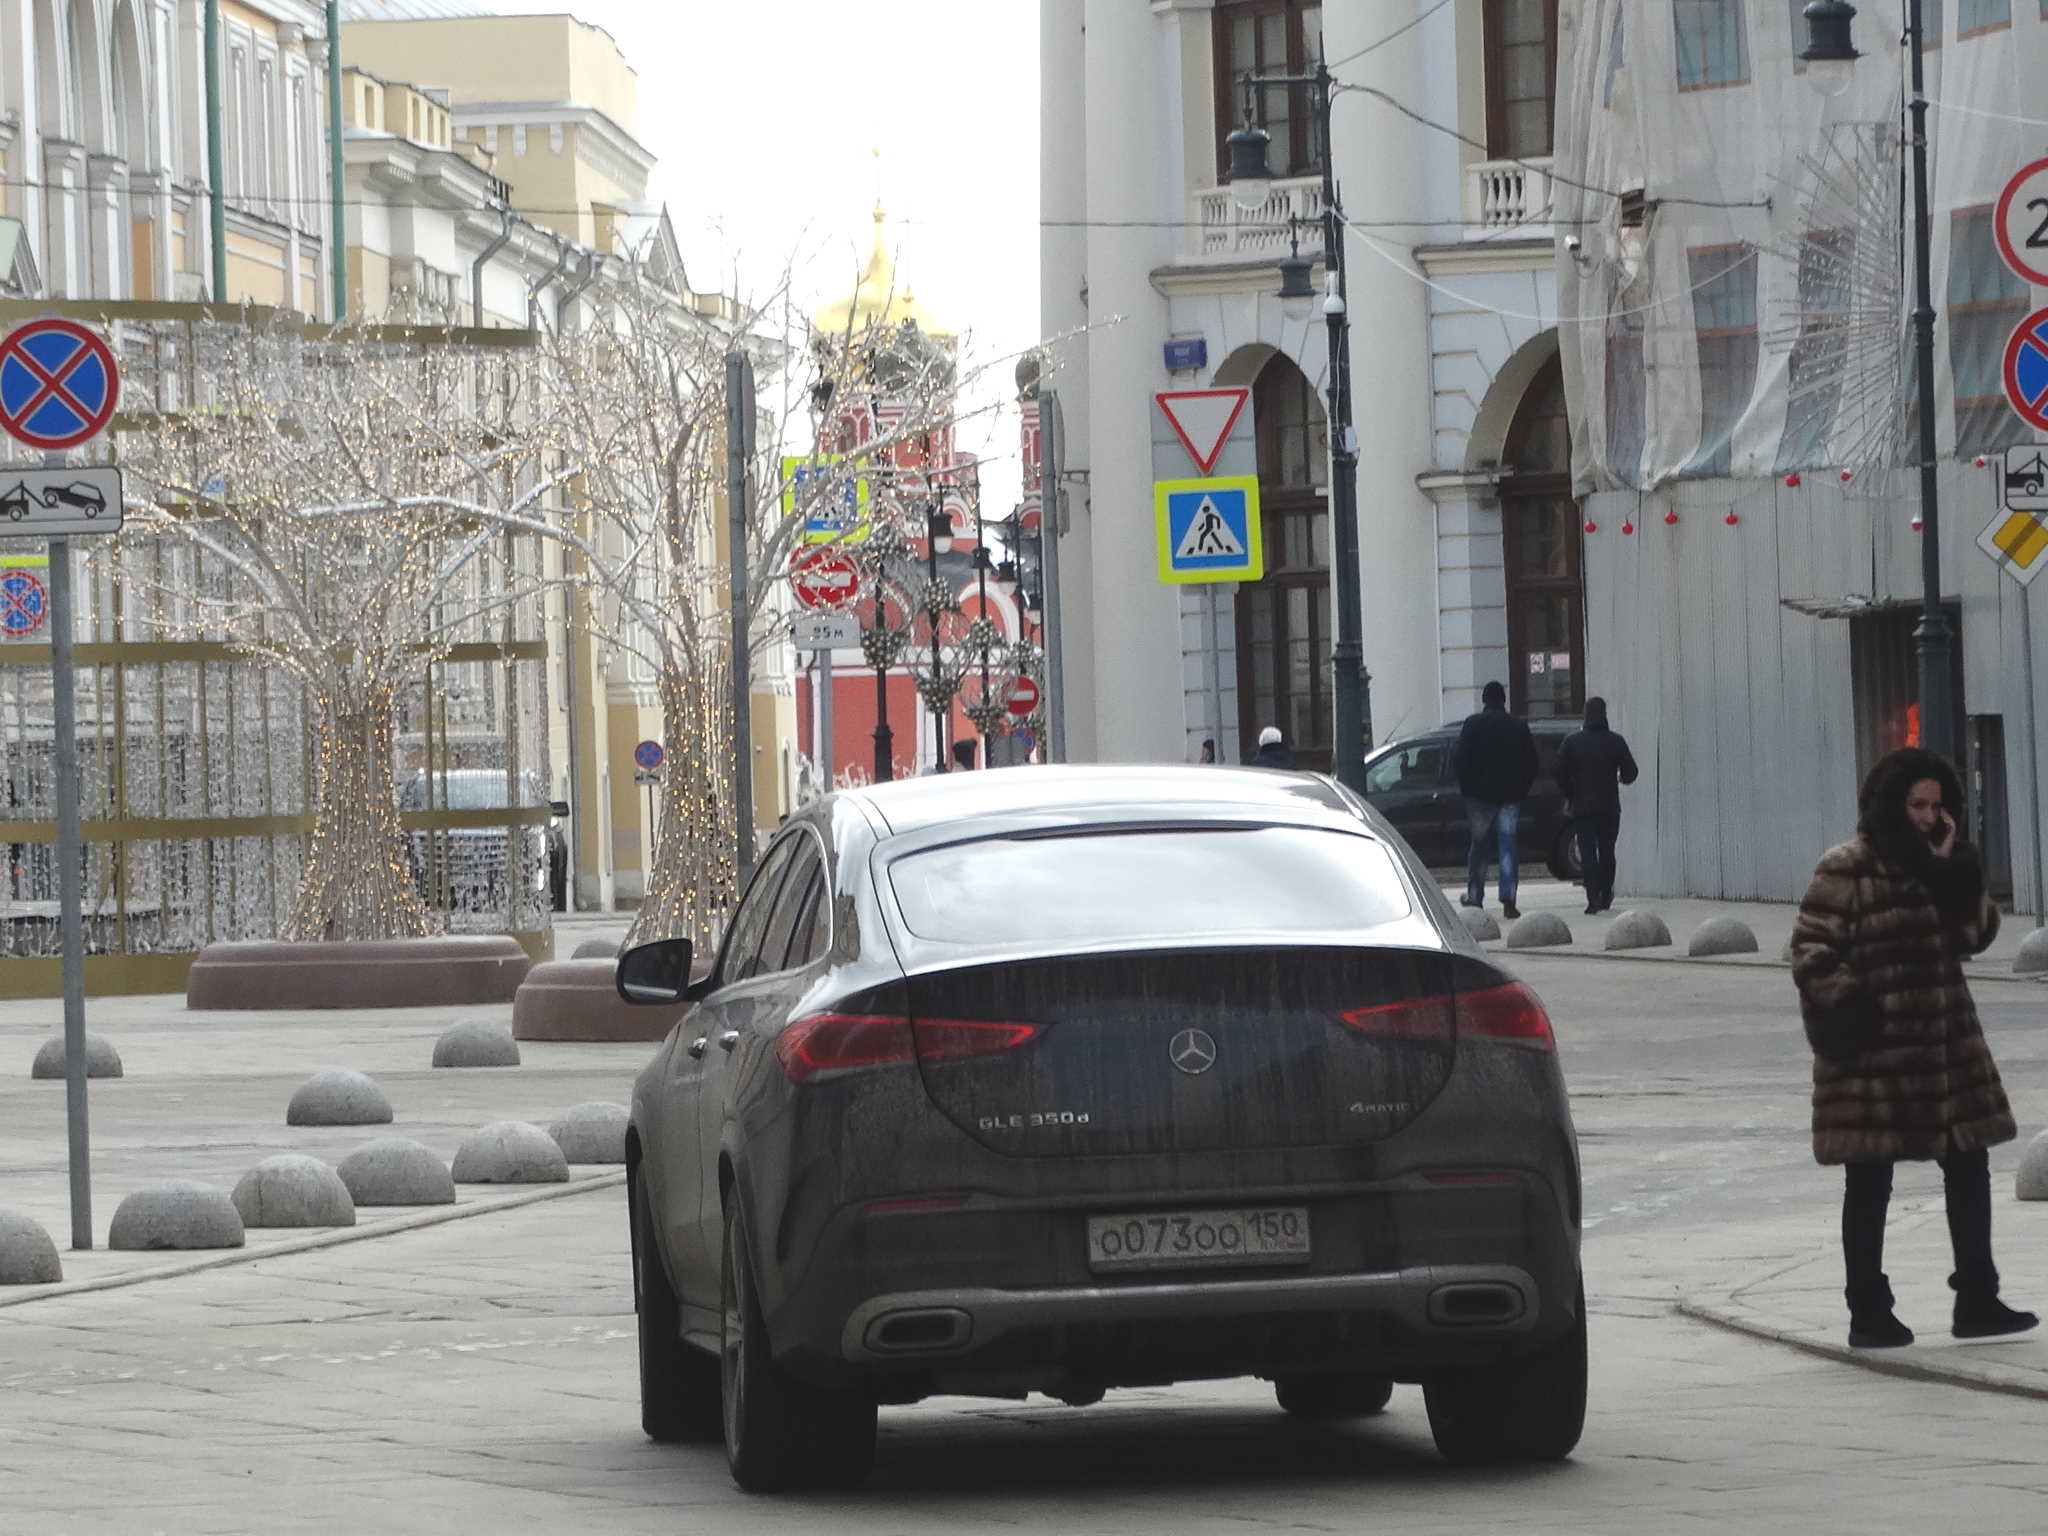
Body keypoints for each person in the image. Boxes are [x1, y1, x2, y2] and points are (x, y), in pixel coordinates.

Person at [1789, 747, 2036, 1349]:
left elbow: (1974, 937)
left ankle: (1977, 1297)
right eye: (1916, 805)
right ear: (1890, 805)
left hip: (1948, 1049)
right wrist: (1858, 1010)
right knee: (1870, 1178)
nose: (1928, 816)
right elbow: (1810, 949)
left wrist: (1955, 873)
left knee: (1970, 1163)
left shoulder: (1938, 863)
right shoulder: (1848, 865)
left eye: (1937, 805)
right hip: (1874, 1054)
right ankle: (1867, 1310)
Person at [1451, 680, 1538, 921]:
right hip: (1510, 796)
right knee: (1508, 847)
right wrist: (1521, 789)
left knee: (1479, 847)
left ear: (1484, 700)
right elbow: (1531, 762)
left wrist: (1467, 788)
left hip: (1479, 797)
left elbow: (1460, 759)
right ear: (1503, 700)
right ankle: (1509, 899)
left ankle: (1475, 896)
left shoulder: (1473, 725)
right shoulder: (1518, 726)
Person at [1554, 696, 1637, 914]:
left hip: (1582, 807)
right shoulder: (1615, 741)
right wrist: (1620, 777)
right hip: (1609, 806)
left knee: (1588, 853)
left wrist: (1570, 792)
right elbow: (1631, 772)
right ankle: (1606, 891)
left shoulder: (1572, 742)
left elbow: (1560, 773)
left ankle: (1593, 900)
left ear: (1585, 715)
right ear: (1604, 714)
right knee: (1608, 851)